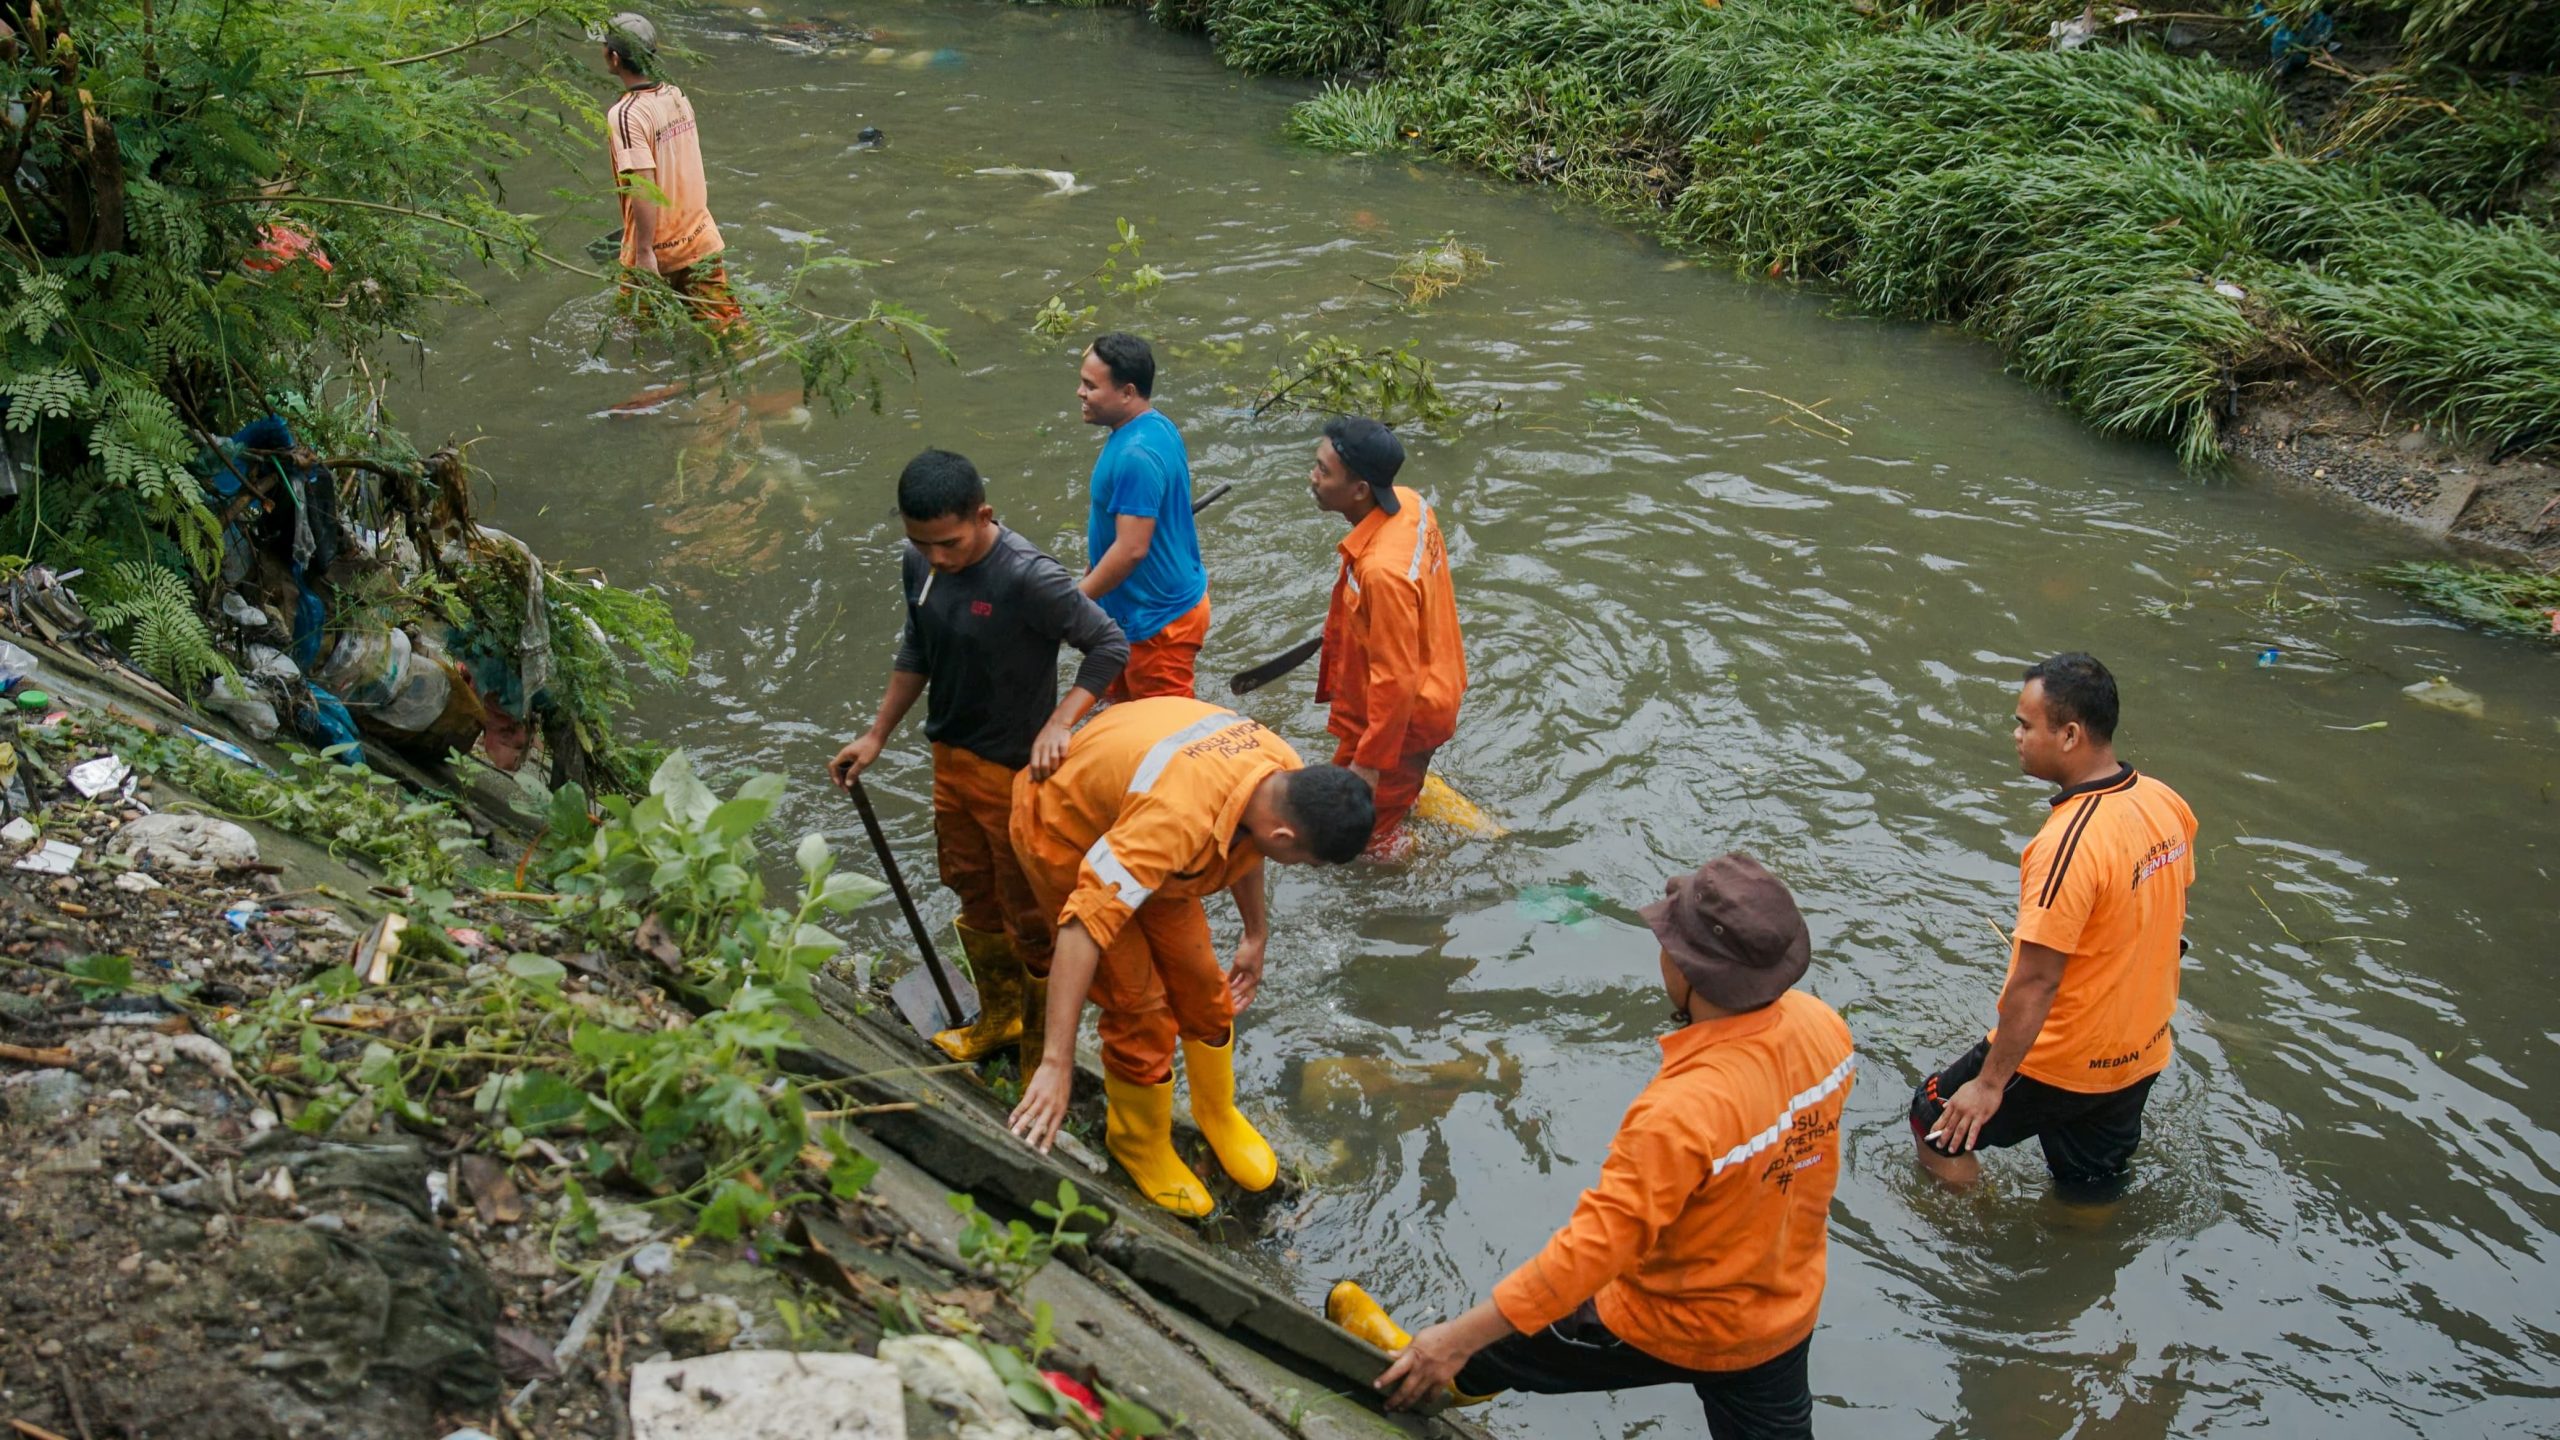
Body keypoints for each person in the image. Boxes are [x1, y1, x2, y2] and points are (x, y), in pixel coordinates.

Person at [1328, 855, 1855, 1439]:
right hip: (1780, 1315)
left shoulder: (1681, 1109)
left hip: (1666, 1320)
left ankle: (1428, 1369)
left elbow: (1594, 1251)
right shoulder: (1823, 1026)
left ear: (1684, 966)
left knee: (1502, 1344)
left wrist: (1456, 1336)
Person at [1004, 697, 1374, 1217]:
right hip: (1067, 827)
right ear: (1285, 836)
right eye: (1304, 861)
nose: (1298, 865)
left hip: (1140, 825)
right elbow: (1084, 923)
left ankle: (1215, 1110)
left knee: (1203, 985)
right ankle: (1138, 1142)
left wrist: (1255, 933)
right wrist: (1055, 1062)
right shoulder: (1177, 819)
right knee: (1139, 1005)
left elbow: (1249, 843)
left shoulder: (1284, 773)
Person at [828, 450, 1128, 1068]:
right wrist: (876, 735)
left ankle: (1042, 1052)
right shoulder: (920, 562)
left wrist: (1059, 723)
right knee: (970, 888)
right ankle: (999, 1018)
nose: (937, 557)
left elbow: (1107, 644)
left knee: (1030, 916)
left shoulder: (1027, 576)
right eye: (922, 542)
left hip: (1018, 773)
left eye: (950, 543)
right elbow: (919, 644)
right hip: (952, 759)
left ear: (983, 516)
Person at [1909, 652, 2197, 1201]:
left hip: (2065, 1057)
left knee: (1935, 1123)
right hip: (2141, 1051)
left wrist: (1989, 1085)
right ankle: (2087, 1268)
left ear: (2068, 735)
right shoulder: (2166, 804)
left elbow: (2037, 980)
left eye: (2024, 724)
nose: (2016, 735)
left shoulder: (2066, 844)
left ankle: (1978, 1247)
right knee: (2089, 1182)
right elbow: (2169, 913)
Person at [1306, 416, 1466, 854]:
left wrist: (1370, 766)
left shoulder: (1383, 574)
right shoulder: (1410, 504)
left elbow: (1395, 681)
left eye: (1323, 470)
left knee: (1366, 835)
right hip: (1433, 687)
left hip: (1404, 718)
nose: (1312, 477)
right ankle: (1404, 796)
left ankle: (1420, 880)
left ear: (1360, 490)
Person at [1075, 333, 1209, 701]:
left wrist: (1071, 603)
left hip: (1157, 622)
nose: (1080, 393)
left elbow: (1132, 548)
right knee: (1116, 713)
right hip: (1129, 613)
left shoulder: (1137, 454)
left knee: (1161, 735)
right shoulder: (1154, 425)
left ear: (1127, 392)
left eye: (1090, 385)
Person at [600, 12, 741, 332]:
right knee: (728, 328)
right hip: (701, 239)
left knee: (635, 336)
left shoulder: (626, 113)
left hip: (656, 252)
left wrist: (645, 252)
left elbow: (643, 184)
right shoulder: (677, 96)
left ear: (615, 57)